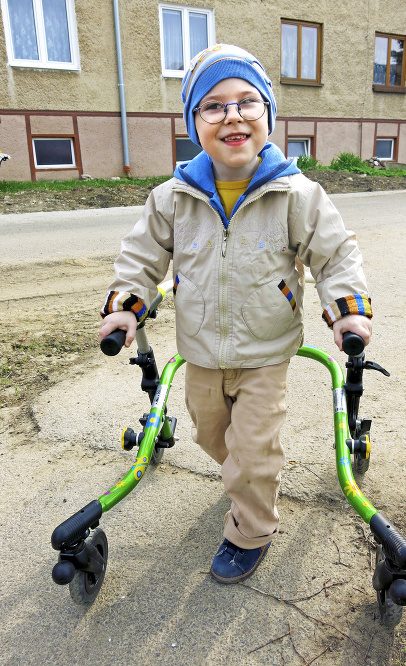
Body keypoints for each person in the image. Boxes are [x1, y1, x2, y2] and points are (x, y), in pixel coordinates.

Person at [99, 44, 372, 584]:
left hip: (266, 350)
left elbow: (336, 254)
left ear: (268, 114)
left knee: (251, 449)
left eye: (248, 101)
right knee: (209, 433)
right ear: (194, 123)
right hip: (200, 348)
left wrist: (346, 311)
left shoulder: (295, 192)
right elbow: (141, 258)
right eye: (214, 106)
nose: (233, 116)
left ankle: (251, 528)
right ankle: (246, 477)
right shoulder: (173, 197)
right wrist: (126, 307)